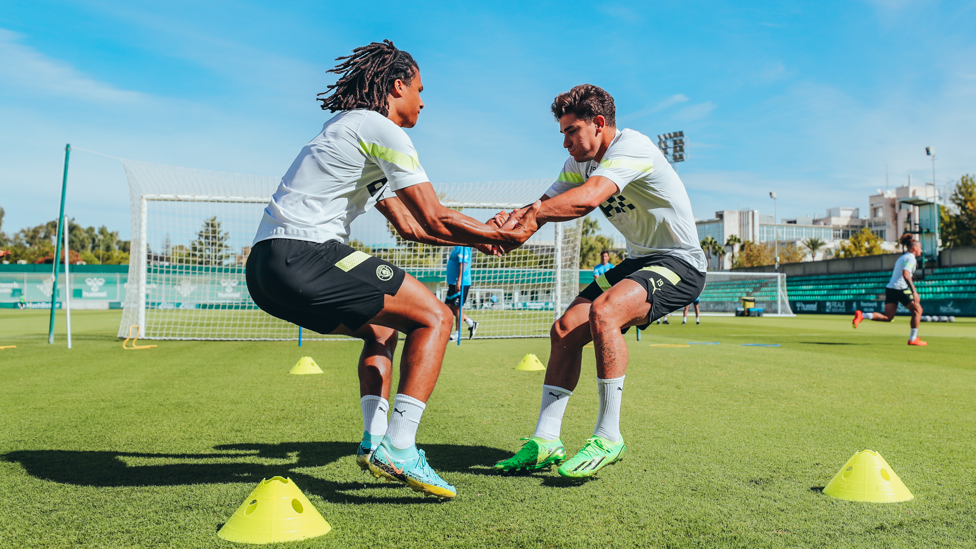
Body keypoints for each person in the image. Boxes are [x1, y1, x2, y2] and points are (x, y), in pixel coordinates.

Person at [245, 40, 539, 500]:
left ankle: (373, 440)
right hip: (303, 254)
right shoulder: (381, 129)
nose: (423, 101)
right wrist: (503, 234)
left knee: (381, 331)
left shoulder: (347, 129)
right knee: (438, 317)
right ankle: (400, 449)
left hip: (264, 270)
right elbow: (434, 217)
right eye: (420, 90)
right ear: (397, 86)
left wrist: (482, 238)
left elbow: (412, 228)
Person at [492, 84, 706, 478]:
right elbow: (544, 203)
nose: (566, 142)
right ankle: (546, 440)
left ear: (599, 123)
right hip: (639, 261)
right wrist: (504, 227)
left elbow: (587, 199)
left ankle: (609, 436)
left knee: (605, 312)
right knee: (565, 328)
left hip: (680, 262)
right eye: (563, 133)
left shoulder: (632, 147)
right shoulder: (579, 163)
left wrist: (529, 219)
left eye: (571, 131)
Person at [852, 234, 926, 346]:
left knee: (888, 317)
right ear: (914, 248)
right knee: (918, 311)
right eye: (920, 248)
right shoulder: (910, 258)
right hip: (900, 288)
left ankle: (862, 315)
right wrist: (914, 291)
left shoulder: (903, 257)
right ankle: (912, 339)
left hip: (891, 288)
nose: (921, 250)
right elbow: (906, 275)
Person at [445, 246, 479, 340]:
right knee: (448, 308)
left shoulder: (462, 247)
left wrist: (459, 280)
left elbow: (463, 264)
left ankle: (457, 334)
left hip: (460, 283)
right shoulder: (455, 246)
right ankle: (470, 322)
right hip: (452, 282)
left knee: (457, 308)